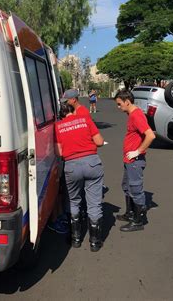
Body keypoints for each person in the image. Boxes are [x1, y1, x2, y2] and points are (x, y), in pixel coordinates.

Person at [55, 103, 105, 251]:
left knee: (73, 201)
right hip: (92, 163)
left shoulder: (58, 127)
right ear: (73, 111)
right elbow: (99, 141)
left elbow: (59, 152)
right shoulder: (85, 120)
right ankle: (95, 242)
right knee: (94, 203)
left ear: (61, 114)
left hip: (71, 166)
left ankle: (75, 239)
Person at [114, 90, 156, 232]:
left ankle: (138, 221)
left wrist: (137, 151)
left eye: (119, 104)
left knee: (135, 189)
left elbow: (150, 136)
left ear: (127, 101)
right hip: (129, 159)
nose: (118, 107)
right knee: (126, 186)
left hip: (135, 160)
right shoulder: (132, 114)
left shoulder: (136, 115)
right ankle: (130, 213)